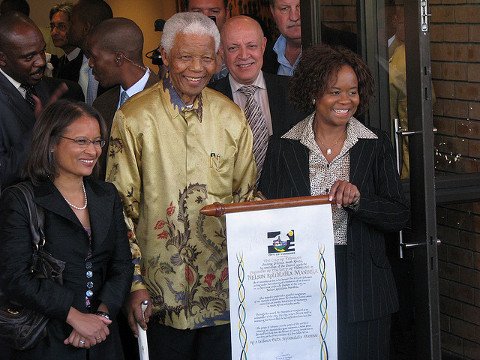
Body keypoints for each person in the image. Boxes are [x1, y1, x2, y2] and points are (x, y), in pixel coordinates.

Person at [106, 12, 257, 360]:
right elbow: (120, 209)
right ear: (165, 55)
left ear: (218, 59)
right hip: (160, 301)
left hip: (224, 295)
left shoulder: (232, 116)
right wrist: (134, 282)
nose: (197, 67)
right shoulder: (133, 118)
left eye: (206, 57)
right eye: (186, 56)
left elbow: (246, 198)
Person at [258, 44, 409, 359]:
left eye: (352, 92)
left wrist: (359, 200)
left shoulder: (376, 144)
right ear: (314, 93)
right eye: (335, 92)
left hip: (364, 288)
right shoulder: (283, 146)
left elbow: (398, 216)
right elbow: (268, 221)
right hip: (301, 286)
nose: (346, 101)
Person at [0, 99, 133, 359]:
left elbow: (122, 265)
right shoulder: (20, 198)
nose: (93, 151)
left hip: (103, 340)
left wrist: (101, 317)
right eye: (81, 141)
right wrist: (75, 317)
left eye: (97, 142)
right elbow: (14, 278)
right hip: (46, 339)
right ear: (51, 143)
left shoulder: (106, 194)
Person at [210, 15, 307, 181]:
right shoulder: (208, 98)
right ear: (221, 50)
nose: (244, 55)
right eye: (233, 48)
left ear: (263, 46)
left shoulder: (294, 90)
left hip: (284, 200)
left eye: (251, 46)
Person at [0, 12, 84, 192]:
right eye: (29, 57)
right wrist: (41, 128)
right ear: (2, 59)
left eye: (42, 51)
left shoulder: (61, 90)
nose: (41, 62)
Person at [89, 17, 159, 178]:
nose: (91, 64)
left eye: (94, 57)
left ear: (119, 58)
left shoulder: (167, 100)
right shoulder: (101, 104)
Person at [68, 0, 113, 104]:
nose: (68, 28)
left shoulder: (116, 70)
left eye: (72, 22)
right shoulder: (67, 69)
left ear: (86, 28)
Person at [187, 0, 230, 81]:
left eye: (214, 11)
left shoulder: (242, 47)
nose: (206, 18)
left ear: (226, 13)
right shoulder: (174, 49)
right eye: (197, 12)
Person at [50, 2, 84, 83]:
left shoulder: (86, 62)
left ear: (75, 27)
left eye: (61, 26)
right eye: (52, 26)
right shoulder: (61, 62)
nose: (54, 32)